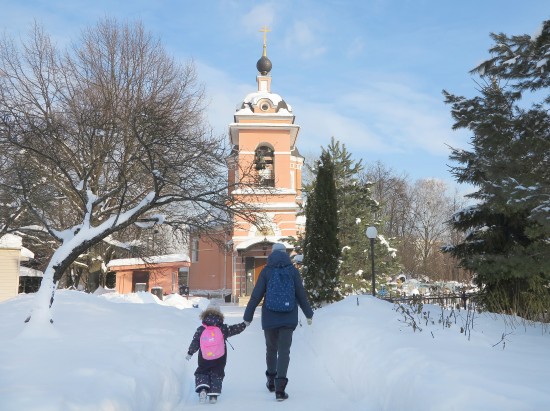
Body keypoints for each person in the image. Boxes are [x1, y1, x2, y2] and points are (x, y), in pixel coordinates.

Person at [243, 242, 314, 401]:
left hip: (269, 316)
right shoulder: (293, 271)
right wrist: (309, 314)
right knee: (284, 351)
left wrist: (247, 316)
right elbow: (301, 294)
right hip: (288, 317)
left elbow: (256, 295)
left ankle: (271, 382)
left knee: (271, 349)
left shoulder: (266, 271)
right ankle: (280, 390)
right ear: (286, 253)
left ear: (272, 253)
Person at [186, 304, 247, 404]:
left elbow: (195, 341)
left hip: (204, 356)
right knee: (217, 372)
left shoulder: (201, 329)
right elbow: (235, 329)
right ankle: (213, 395)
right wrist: (244, 324)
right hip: (220, 357)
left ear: (205, 315)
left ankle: (203, 389)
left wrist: (190, 352)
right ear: (219, 315)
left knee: (202, 371)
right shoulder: (223, 328)